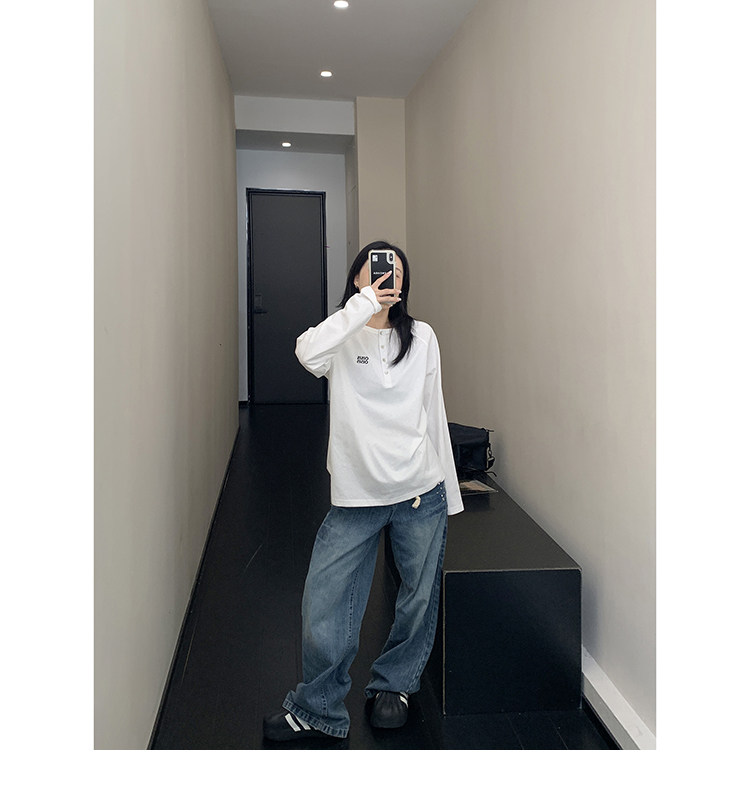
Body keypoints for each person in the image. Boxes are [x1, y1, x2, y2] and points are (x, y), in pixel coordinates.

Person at [262, 241, 463, 742]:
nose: (387, 276)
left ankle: (395, 685)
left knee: (418, 598)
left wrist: (451, 494)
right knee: (324, 601)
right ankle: (319, 708)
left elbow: (433, 411)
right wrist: (364, 305)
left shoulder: (423, 337)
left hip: (420, 491)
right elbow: (306, 351)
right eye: (376, 268)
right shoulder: (340, 335)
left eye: (396, 271)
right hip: (357, 498)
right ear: (358, 277)